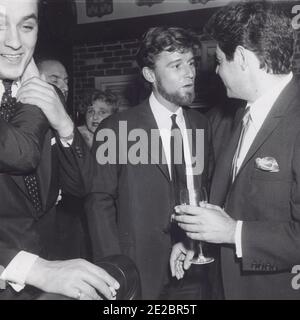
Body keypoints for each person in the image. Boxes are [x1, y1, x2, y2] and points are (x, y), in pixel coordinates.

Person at [172, 1, 300, 299]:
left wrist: (234, 233)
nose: (216, 71)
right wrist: (199, 240)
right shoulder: (240, 116)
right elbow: (237, 205)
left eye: (219, 60)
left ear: (241, 57)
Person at [75, 26, 214, 299]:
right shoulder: (116, 128)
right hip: (138, 270)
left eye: (191, 63)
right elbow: (98, 202)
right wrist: (115, 270)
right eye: (176, 65)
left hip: (196, 268)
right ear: (150, 74)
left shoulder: (202, 125)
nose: (189, 73)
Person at [0, 0, 120, 300]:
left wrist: (66, 125)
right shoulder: (36, 94)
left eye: (26, 26)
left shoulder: (45, 95)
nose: (14, 42)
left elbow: (82, 186)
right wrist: (34, 269)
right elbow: (22, 154)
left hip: (54, 272)